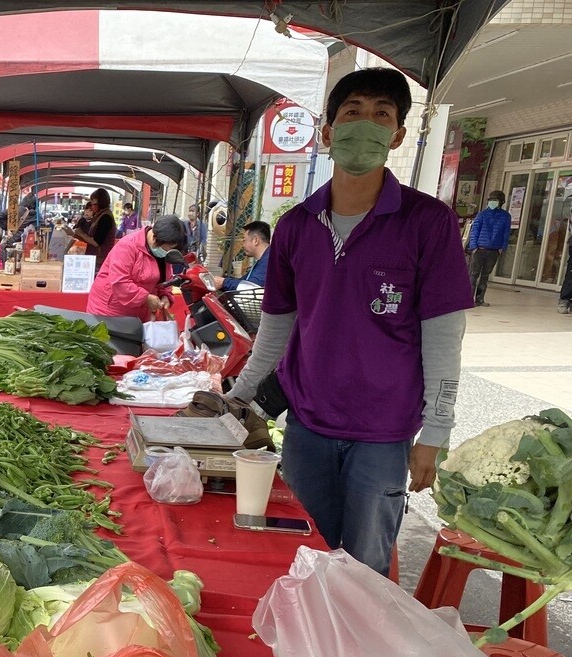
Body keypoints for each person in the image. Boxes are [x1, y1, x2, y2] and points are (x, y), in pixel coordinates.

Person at [225, 67, 473, 577]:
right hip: (307, 425)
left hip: (383, 434)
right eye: (352, 112)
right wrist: (238, 395)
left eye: (382, 115)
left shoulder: (429, 223)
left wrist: (437, 431)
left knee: (365, 570)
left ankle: (358, 656)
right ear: (328, 130)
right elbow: (277, 326)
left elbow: (444, 338)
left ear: (398, 135)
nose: (366, 124)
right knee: (303, 561)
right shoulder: (296, 226)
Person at [85, 214, 187, 321]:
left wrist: (165, 296)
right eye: (166, 249)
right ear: (154, 239)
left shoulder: (163, 253)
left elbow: (166, 281)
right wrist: (146, 298)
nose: (166, 253)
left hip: (138, 314)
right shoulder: (128, 246)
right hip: (109, 311)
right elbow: (119, 283)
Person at [465, 190, 511, 307]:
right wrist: (474, 247)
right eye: (491, 200)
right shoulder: (482, 214)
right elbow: (475, 231)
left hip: (494, 250)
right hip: (479, 249)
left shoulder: (506, 216)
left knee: (485, 275)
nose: (492, 202)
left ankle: (480, 299)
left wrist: (502, 247)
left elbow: (506, 233)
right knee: (473, 274)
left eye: (495, 200)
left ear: (501, 202)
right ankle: (468, 299)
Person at [62, 188, 117, 272]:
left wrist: (81, 234)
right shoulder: (99, 216)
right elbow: (89, 239)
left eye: (94, 204)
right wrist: (74, 234)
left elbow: (96, 242)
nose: (92, 206)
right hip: (94, 258)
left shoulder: (106, 217)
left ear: (101, 203)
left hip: (100, 260)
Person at [212, 220, 271, 291]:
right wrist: (221, 283)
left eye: (244, 240)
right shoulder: (263, 260)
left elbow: (251, 287)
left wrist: (224, 282)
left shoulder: (269, 261)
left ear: (255, 241)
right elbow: (244, 282)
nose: (243, 245)